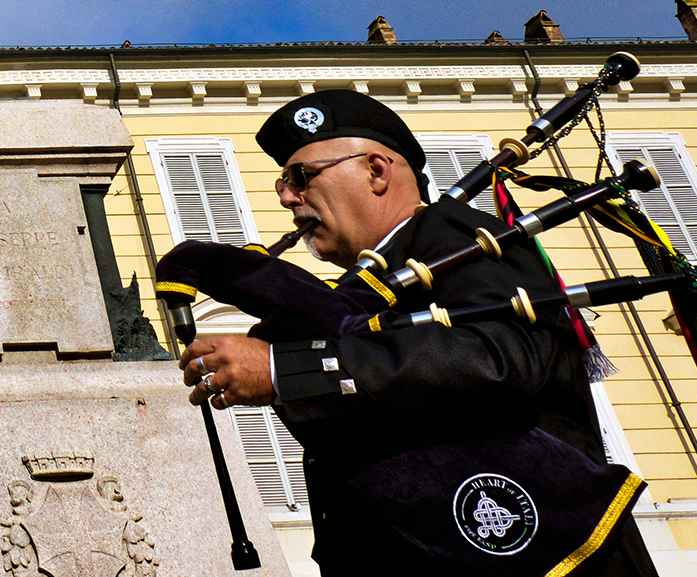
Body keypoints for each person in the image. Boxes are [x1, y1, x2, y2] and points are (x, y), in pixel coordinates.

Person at [176, 91, 657, 576]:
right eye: (284, 181)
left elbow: (500, 357)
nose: (286, 196)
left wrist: (285, 370)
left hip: (536, 556)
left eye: (301, 176)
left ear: (376, 171)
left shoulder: (455, 237)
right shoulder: (363, 284)